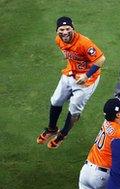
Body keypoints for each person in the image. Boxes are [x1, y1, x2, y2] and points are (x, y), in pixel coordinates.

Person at [37, 16, 106, 149]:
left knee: (74, 110)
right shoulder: (58, 40)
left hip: (87, 81)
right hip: (69, 74)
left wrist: (86, 75)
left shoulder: (84, 42)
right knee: (55, 101)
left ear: (73, 28)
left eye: (68, 29)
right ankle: (51, 129)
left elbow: (101, 59)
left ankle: (63, 134)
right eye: (61, 29)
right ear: (57, 30)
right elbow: (68, 54)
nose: (65, 32)